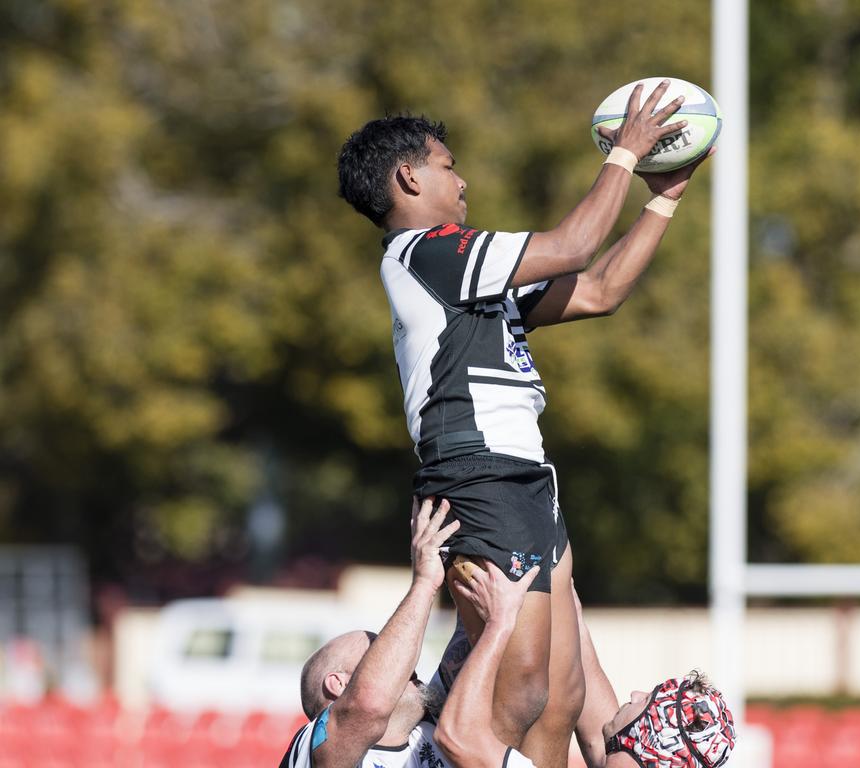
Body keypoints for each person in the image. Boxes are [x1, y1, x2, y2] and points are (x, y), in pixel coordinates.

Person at [336, 81, 715, 768]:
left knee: (562, 694)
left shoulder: (465, 276)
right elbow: (572, 245)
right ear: (408, 176)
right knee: (521, 694)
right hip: (478, 473)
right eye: (449, 166)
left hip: (523, 476)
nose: (463, 179)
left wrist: (666, 196)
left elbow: (597, 290)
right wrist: (625, 154)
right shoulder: (428, 252)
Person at [434, 563, 736, 768]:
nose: (635, 694)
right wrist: (563, 592)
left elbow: (455, 736)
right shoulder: (626, 748)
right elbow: (593, 716)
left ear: (650, 741)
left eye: (648, 700)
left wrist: (499, 624)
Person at [280, 496, 466, 768]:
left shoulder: (439, 732)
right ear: (339, 684)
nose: (405, 661)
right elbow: (365, 706)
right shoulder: (312, 745)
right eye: (376, 652)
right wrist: (425, 582)